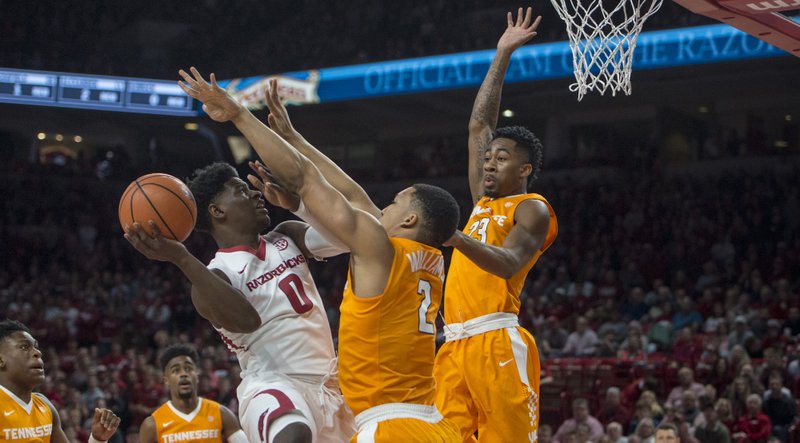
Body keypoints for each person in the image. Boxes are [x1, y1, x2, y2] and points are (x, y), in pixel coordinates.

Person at [177, 67, 461, 442]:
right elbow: (353, 202)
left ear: (409, 219)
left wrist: (239, 114)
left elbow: (315, 183)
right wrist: (293, 144)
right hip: (428, 420)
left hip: (384, 419)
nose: (380, 209)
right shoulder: (427, 258)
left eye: (393, 203)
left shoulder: (377, 247)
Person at [124, 167, 355, 439]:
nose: (257, 194)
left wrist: (298, 204)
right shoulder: (216, 276)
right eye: (242, 191)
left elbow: (348, 236)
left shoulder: (287, 236)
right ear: (218, 211)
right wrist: (182, 259)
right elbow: (248, 320)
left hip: (331, 389)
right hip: (274, 386)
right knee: (293, 435)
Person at [432, 7, 558, 442]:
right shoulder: (482, 201)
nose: (489, 162)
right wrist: (502, 53)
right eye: (489, 157)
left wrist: (455, 236)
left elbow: (507, 263)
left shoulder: (532, 206)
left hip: (496, 339)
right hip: (452, 344)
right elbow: (479, 125)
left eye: (501, 158)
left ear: (524, 170)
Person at [0, 319, 120, 443]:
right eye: (24, 347)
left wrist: (97, 439)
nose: (37, 353)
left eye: (36, 347)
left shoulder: (45, 405)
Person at [138, 344, 246, 443]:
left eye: (188, 368)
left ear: (197, 375)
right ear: (166, 380)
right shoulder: (152, 424)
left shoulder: (221, 413)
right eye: (176, 370)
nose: (183, 374)